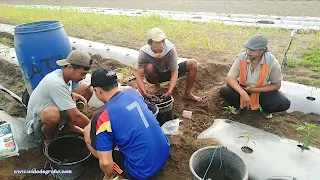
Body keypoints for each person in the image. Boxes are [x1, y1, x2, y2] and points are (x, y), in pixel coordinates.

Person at [83, 68, 170, 180]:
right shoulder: (133, 93)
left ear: (98, 91)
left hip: (141, 170)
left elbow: (105, 163)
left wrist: (107, 174)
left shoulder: (103, 116)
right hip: (163, 152)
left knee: (87, 132)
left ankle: (117, 175)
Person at [26, 50, 93, 145]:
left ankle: (68, 128)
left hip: (58, 113)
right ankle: (49, 139)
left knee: (86, 89)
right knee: (52, 113)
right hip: (37, 126)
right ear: (70, 67)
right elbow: (75, 116)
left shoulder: (64, 76)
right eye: (82, 74)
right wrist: (96, 130)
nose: (84, 77)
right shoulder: (56, 83)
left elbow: (63, 93)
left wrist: (72, 95)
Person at [220, 34, 290, 119]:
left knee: (283, 103)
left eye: (252, 50)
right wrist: (242, 93)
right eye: (247, 48)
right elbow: (230, 78)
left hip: (261, 91)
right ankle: (238, 106)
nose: (248, 52)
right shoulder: (241, 57)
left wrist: (253, 90)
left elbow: (276, 85)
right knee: (225, 90)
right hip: (243, 88)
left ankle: (265, 109)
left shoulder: (272, 62)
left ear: (262, 50)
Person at [136, 27, 201, 102]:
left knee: (193, 63)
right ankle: (157, 86)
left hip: (169, 72)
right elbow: (139, 75)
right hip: (155, 76)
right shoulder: (144, 53)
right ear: (150, 43)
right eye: (157, 42)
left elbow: (174, 72)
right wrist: (144, 93)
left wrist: (170, 91)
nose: (161, 45)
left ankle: (188, 93)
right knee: (148, 67)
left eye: (162, 41)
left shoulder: (170, 50)